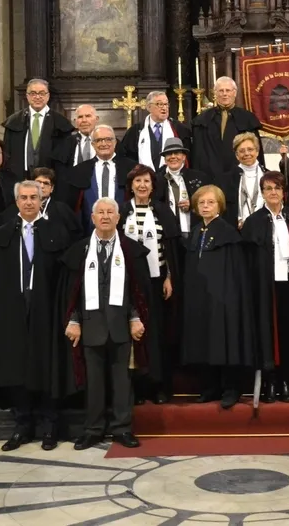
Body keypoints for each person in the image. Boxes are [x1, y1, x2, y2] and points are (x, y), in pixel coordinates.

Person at [0, 180, 70, 451]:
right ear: (16, 201)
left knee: (46, 366)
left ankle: (50, 425)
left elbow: (63, 277)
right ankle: (22, 426)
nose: (29, 202)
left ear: (42, 200)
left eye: (34, 197)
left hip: (47, 309)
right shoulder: (4, 234)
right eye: (24, 197)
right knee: (16, 366)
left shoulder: (57, 232)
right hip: (12, 309)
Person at [62, 198, 152, 450]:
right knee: (94, 382)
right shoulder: (79, 251)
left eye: (110, 212)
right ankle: (93, 429)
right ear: (92, 218)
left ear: (118, 218)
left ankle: (122, 429)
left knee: (123, 381)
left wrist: (135, 318)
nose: (105, 216)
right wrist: (73, 320)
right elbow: (72, 293)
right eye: (100, 212)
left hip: (121, 326)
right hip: (90, 327)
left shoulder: (131, 251)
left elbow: (137, 291)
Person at [180, 185, 256, 408]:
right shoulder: (196, 232)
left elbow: (235, 271)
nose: (205, 206)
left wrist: (229, 296)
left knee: (225, 338)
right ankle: (210, 386)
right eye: (202, 202)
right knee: (205, 340)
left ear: (220, 206)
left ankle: (231, 388)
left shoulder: (228, 233)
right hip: (201, 298)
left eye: (210, 202)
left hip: (223, 297)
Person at [242, 173, 289, 402]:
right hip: (264, 285)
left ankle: (286, 380)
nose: (273, 192)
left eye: (277, 188)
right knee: (267, 331)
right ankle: (270, 381)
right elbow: (248, 259)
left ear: (284, 192)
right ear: (262, 193)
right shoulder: (253, 221)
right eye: (268, 188)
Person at [119, 165, 181, 404]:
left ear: (153, 185)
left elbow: (171, 250)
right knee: (133, 335)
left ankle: (159, 386)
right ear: (131, 186)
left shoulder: (164, 212)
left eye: (146, 181)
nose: (142, 186)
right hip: (127, 285)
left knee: (157, 335)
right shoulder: (122, 211)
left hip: (157, 284)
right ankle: (137, 387)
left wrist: (169, 277)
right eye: (137, 181)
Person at [62, 125, 138, 235]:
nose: (103, 144)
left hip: (125, 230)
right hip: (89, 232)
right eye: (99, 140)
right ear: (93, 144)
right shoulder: (79, 170)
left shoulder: (132, 168)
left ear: (115, 142)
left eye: (108, 139)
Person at [190, 76, 264, 182]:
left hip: (240, 176)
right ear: (215, 93)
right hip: (210, 177)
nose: (224, 94)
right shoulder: (202, 120)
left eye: (228, 90)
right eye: (221, 90)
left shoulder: (247, 119)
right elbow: (198, 154)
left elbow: (256, 152)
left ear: (234, 93)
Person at [1, 78, 74, 180]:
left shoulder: (60, 123)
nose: (37, 97)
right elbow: (7, 154)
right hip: (20, 178)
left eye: (42, 93)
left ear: (48, 96)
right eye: (33, 93)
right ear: (27, 96)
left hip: (50, 180)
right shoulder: (14, 121)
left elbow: (65, 158)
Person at [121, 91, 192, 172]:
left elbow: (187, 157)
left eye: (166, 104)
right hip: (144, 179)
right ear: (148, 107)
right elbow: (128, 158)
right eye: (159, 104)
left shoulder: (179, 129)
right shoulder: (136, 131)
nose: (164, 108)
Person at [154, 138, 211, 239]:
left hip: (196, 232)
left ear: (184, 157)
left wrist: (193, 205)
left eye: (177, 153)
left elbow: (211, 203)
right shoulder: (156, 180)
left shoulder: (200, 177)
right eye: (169, 154)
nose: (173, 157)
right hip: (167, 234)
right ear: (164, 158)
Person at [223, 132, 268, 228]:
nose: (247, 153)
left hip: (265, 228)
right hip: (238, 230)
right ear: (236, 155)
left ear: (257, 152)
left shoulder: (268, 176)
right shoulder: (226, 179)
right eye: (242, 151)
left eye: (250, 149)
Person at [50, 104, 100, 189]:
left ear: (97, 119)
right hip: (72, 191)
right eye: (80, 117)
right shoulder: (65, 143)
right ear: (75, 121)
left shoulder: (108, 142)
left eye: (88, 116)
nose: (84, 120)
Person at [32, 167, 83, 241]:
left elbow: (76, 235)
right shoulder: (20, 209)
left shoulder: (63, 210)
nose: (42, 186)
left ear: (52, 188)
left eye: (46, 183)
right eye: (38, 182)